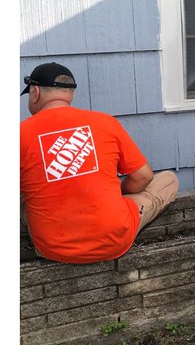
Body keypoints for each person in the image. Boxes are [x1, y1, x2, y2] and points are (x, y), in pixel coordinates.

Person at [20, 62, 179, 263]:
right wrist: (118, 195)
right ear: (70, 94)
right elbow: (144, 176)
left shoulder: (18, 134)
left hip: (53, 248)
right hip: (115, 239)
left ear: (35, 92)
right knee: (168, 180)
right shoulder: (106, 122)